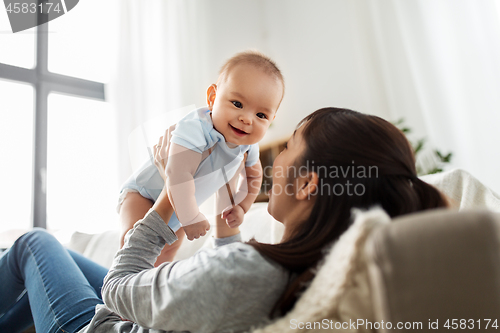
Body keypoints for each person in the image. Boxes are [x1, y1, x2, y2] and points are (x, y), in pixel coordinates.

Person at [0, 107, 448, 333]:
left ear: (309, 185)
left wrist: (172, 195)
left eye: (289, 145)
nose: (275, 158)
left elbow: (116, 289)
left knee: (33, 243)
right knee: (61, 261)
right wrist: (229, 223)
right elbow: (228, 307)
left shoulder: (248, 272)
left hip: (103, 326)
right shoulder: (320, 272)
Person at [117, 50, 285, 265]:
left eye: (261, 115)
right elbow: (177, 172)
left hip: (179, 208)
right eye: (237, 104)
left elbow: (254, 177)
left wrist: (241, 207)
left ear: (271, 119)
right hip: (143, 194)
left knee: (165, 257)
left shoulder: (248, 145)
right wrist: (190, 217)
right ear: (213, 97)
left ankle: (144, 292)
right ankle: (122, 281)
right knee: (132, 238)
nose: (246, 119)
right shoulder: (196, 128)